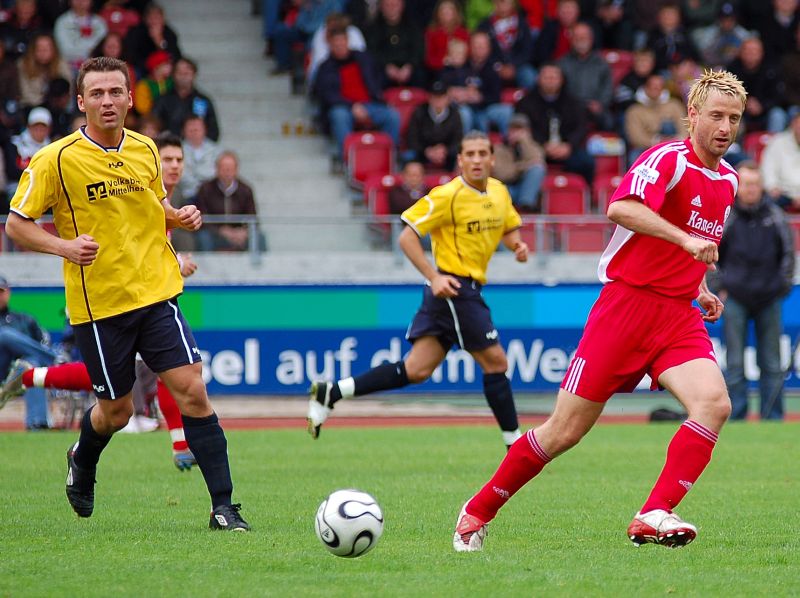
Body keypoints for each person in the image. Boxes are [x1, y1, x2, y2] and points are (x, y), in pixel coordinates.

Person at [452, 70, 746, 552]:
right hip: (626, 308)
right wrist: (684, 240)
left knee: (715, 404)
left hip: (677, 316)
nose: (725, 127)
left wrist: (701, 286)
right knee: (563, 432)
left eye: (733, 118)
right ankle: (477, 511)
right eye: (716, 115)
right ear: (692, 115)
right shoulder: (667, 160)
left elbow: (694, 245)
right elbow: (621, 208)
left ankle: (653, 513)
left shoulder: (729, 180)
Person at [5, 56, 249, 530]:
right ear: (81, 102)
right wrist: (64, 246)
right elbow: (17, 224)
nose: (107, 101)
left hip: (156, 292)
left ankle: (224, 507)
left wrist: (178, 216)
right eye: (96, 93)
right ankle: (82, 457)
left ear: (129, 98)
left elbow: (153, 204)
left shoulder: (145, 149)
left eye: (115, 92)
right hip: (100, 305)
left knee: (193, 390)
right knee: (117, 412)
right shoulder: (56, 159)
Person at [308, 131, 529, 450]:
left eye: (483, 153)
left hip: (457, 292)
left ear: (493, 159)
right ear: (460, 160)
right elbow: (407, 236)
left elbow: (508, 228)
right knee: (496, 362)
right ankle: (515, 445)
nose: (477, 160)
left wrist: (517, 245)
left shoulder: (499, 192)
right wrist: (434, 276)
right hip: (455, 287)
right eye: (470, 154)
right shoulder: (447, 195)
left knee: (416, 370)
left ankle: (332, 392)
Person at [710, 161, 794, 421]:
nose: (751, 189)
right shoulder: (727, 217)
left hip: (769, 298)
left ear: (762, 186)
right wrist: (719, 288)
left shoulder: (776, 216)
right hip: (735, 298)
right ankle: (737, 417)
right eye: (746, 184)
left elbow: (788, 254)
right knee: (735, 363)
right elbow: (711, 255)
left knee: (771, 362)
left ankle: (773, 417)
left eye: (755, 184)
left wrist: (781, 287)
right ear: (738, 187)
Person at [312, 27, 400, 167]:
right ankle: (348, 160)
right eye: (336, 43)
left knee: (392, 116)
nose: (340, 46)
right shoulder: (325, 67)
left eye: (342, 42)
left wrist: (378, 95)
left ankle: (389, 156)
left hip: (370, 104)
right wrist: (352, 106)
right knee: (339, 115)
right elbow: (327, 95)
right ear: (330, 45)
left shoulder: (364, 58)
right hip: (344, 107)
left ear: (348, 41)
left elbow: (378, 78)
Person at [0, 275, 56, 429]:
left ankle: (37, 423)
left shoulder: (24, 319)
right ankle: (55, 360)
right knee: (4, 334)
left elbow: (42, 341)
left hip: (19, 372)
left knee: (32, 366)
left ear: (8, 293)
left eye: (1, 292)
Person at [194, 151, 266, 252]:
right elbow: (202, 218)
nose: (227, 173)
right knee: (203, 237)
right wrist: (221, 231)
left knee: (259, 237)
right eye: (224, 169)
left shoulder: (246, 190)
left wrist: (243, 232)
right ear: (216, 169)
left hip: (239, 235)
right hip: (215, 234)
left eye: (230, 169)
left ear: (236, 170)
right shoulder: (205, 189)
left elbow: (252, 218)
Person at [557, 21, 614, 131]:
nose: (581, 39)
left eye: (584, 36)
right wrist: (573, 105)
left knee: (609, 122)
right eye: (577, 37)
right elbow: (559, 91)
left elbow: (607, 88)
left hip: (596, 108)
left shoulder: (601, 63)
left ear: (591, 39)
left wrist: (600, 104)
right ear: (571, 40)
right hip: (570, 109)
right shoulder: (562, 63)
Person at [623, 73, 687, 165]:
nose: (656, 88)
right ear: (645, 87)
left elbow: (684, 127)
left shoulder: (674, 105)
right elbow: (636, 137)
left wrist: (676, 140)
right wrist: (657, 141)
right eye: (653, 85)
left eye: (659, 86)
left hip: (674, 145)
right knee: (634, 156)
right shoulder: (634, 110)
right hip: (647, 147)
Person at [152, 57, 219, 142]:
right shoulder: (162, 100)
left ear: (194, 74)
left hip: (196, 147)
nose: (183, 76)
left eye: (186, 73)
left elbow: (213, 131)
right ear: (173, 75)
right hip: (168, 145)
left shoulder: (202, 100)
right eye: (180, 73)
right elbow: (153, 125)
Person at [402, 80, 462, 171]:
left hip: (447, 155)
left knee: (460, 158)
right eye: (435, 97)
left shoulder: (455, 114)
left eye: (441, 97)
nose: (438, 100)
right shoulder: (419, 112)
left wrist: (445, 150)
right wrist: (427, 151)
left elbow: (458, 140)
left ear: (447, 98)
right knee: (408, 155)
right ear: (429, 98)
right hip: (422, 153)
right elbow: (412, 138)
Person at [492, 112, 546, 212]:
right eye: (513, 129)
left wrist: (525, 143)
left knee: (537, 170)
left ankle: (525, 206)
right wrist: (524, 166)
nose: (516, 133)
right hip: (506, 188)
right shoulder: (498, 149)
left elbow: (538, 163)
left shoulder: (534, 147)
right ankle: (525, 206)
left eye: (520, 130)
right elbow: (502, 174)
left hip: (526, 188)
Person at [54, 0, 108, 74]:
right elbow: (64, 49)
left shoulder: (100, 22)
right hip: (68, 65)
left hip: (95, 65)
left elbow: (101, 48)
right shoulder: (62, 22)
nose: (81, 1)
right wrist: (88, 51)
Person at [760, 112, 800, 210]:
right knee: (767, 201)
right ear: (793, 125)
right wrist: (772, 187)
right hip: (783, 194)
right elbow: (768, 169)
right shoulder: (777, 142)